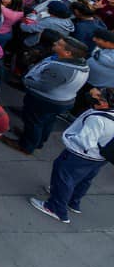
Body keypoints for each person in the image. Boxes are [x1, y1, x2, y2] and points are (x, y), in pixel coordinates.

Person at [30, 87, 114, 223]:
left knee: (64, 175)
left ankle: (56, 208)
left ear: (104, 103)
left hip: (82, 155)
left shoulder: (97, 119)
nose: (94, 94)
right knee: (84, 179)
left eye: (98, 95)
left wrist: (70, 138)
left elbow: (85, 142)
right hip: (101, 157)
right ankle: (73, 202)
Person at [3, 37, 90, 156]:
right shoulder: (81, 63)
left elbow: (44, 87)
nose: (55, 43)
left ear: (67, 53)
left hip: (45, 100)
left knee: (34, 122)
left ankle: (26, 146)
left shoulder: (60, 68)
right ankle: (37, 141)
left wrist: (26, 81)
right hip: (63, 100)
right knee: (47, 121)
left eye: (59, 44)